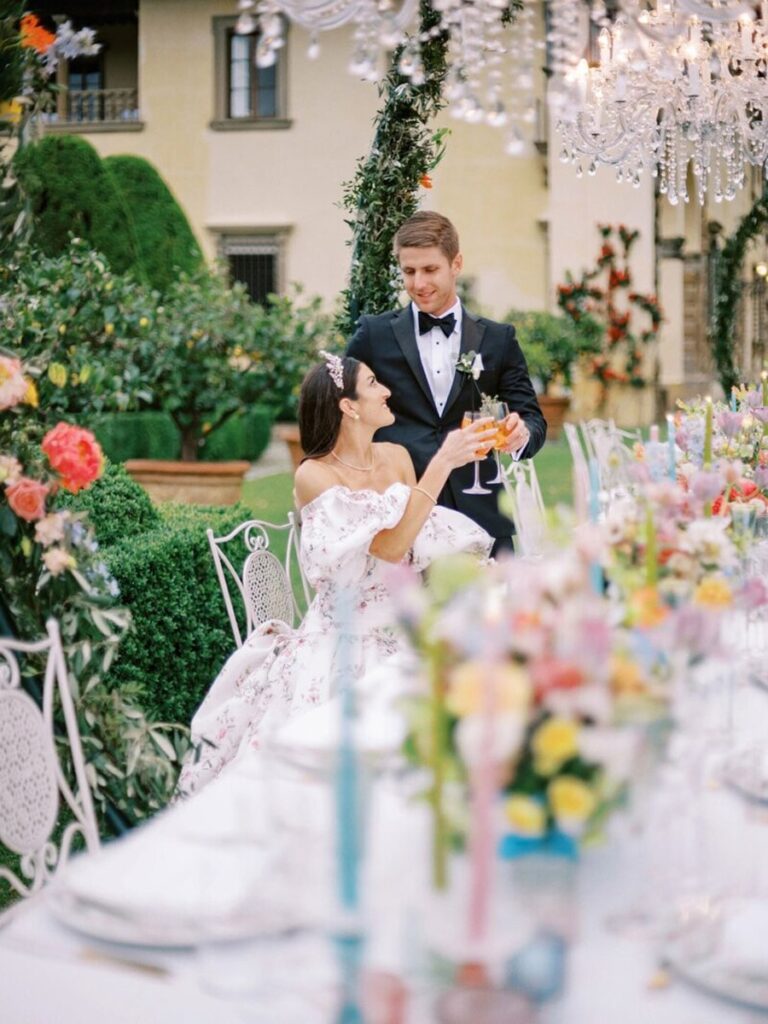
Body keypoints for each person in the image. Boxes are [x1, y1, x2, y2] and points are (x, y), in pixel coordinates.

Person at [177, 351, 493, 795]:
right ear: (348, 406)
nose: (387, 391)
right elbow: (389, 547)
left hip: (405, 625)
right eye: (374, 385)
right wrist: (443, 463)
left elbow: (417, 540)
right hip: (342, 643)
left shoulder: (397, 456)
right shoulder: (314, 475)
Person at [347, 211, 547, 557]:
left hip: (482, 513)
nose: (418, 283)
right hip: (402, 516)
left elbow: (532, 417)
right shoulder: (374, 335)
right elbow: (342, 411)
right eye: (409, 272)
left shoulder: (498, 339)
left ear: (456, 264)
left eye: (430, 270)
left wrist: (521, 433)